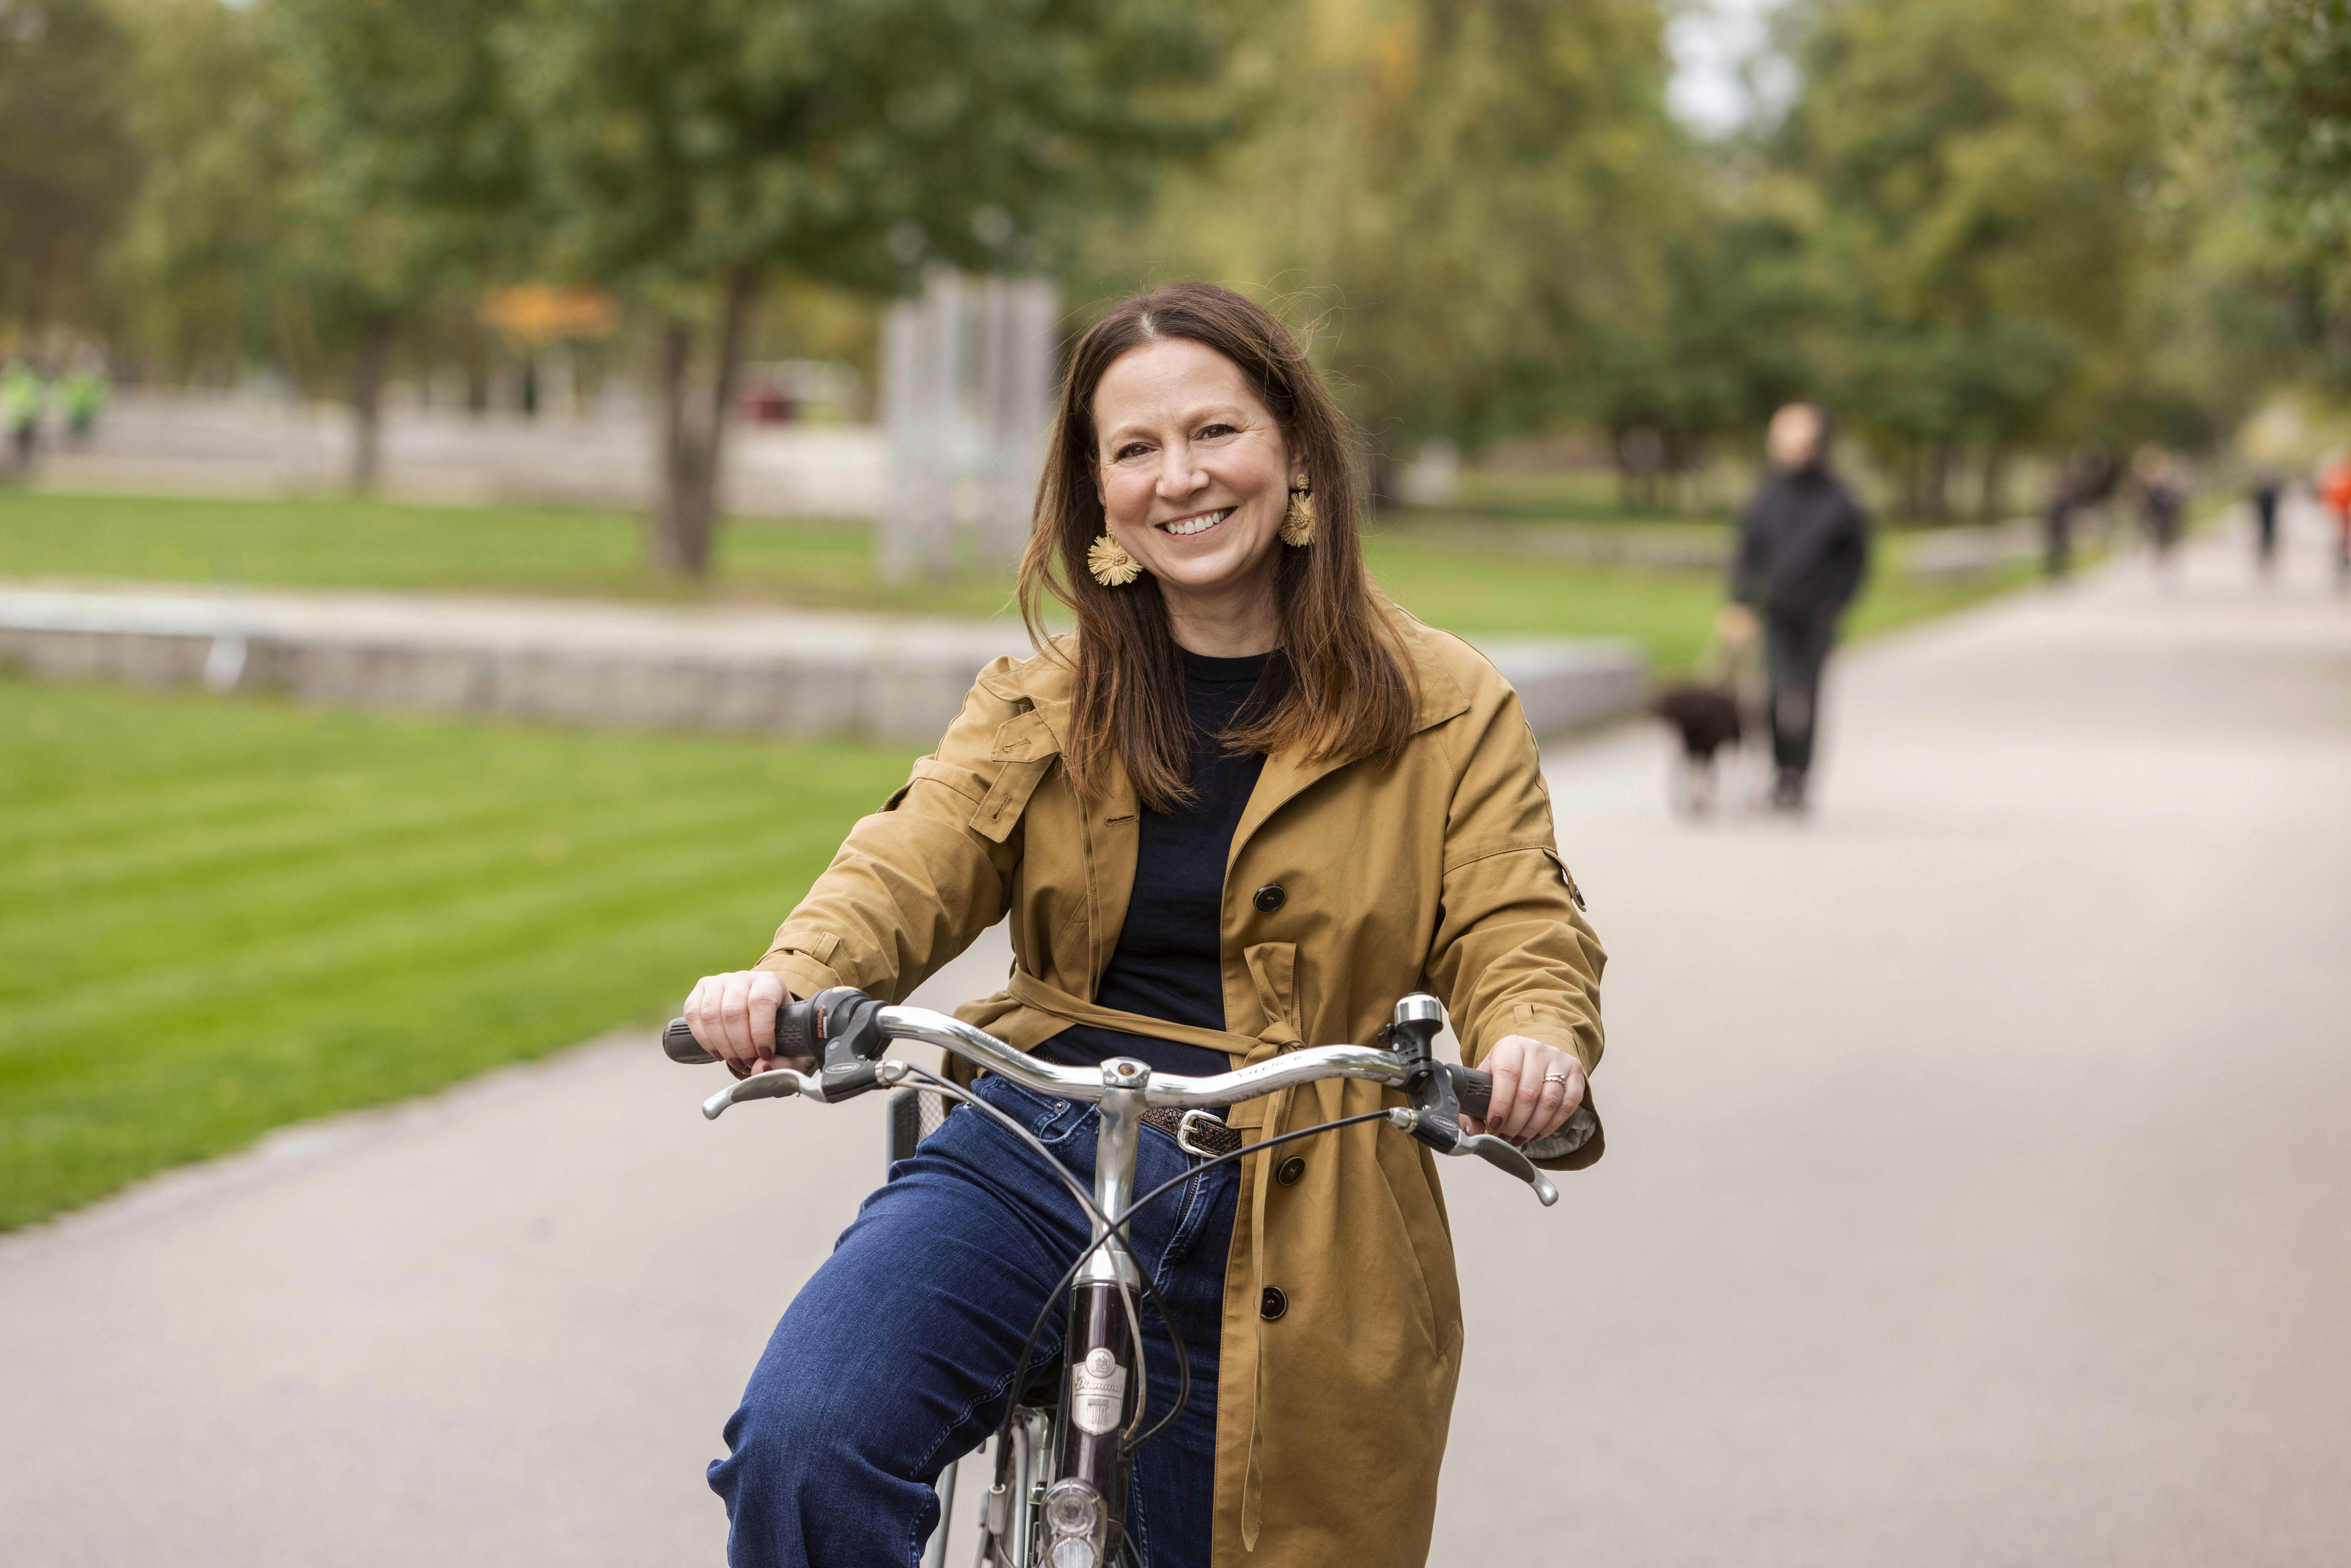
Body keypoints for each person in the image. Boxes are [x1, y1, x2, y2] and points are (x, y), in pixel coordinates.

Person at [681, 283, 1606, 1568]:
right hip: (1041, 1137)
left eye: (1214, 432)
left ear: (1293, 455)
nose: (1179, 478)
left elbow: (1516, 916)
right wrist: (788, 982)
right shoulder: (1044, 696)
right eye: (1134, 449)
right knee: (806, 1435)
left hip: (1305, 1173)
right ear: (1097, 495)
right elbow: (912, 857)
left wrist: (1532, 1038)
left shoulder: (1445, 705)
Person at [1718, 402, 1871, 813]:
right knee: (1772, 696)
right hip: (1777, 613)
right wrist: (1739, 603)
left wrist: (1837, 602)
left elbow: (1856, 559)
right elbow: (1747, 553)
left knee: (1806, 699)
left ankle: (1797, 778)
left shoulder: (1839, 500)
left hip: (1818, 616)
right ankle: (1779, 770)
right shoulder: (1768, 497)